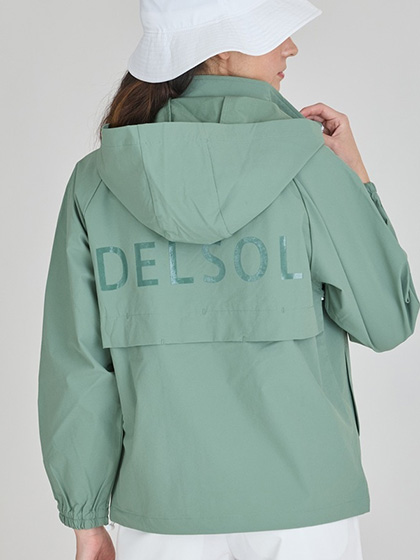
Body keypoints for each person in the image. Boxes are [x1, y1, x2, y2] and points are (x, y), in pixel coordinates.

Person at [37, 1, 419, 559]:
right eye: (272, 32)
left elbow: (78, 367)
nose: (291, 47)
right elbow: (389, 319)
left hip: (163, 510)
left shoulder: (96, 182)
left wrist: (87, 519)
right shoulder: (311, 166)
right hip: (304, 508)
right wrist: (356, 177)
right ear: (216, 50)